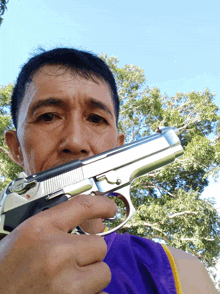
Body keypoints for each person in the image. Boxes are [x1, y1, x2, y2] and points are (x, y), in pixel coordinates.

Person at [0, 48, 217, 293]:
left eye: (95, 119)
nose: (75, 141)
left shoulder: (176, 271)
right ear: (15, 147)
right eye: (49, 116)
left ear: (118, 147)